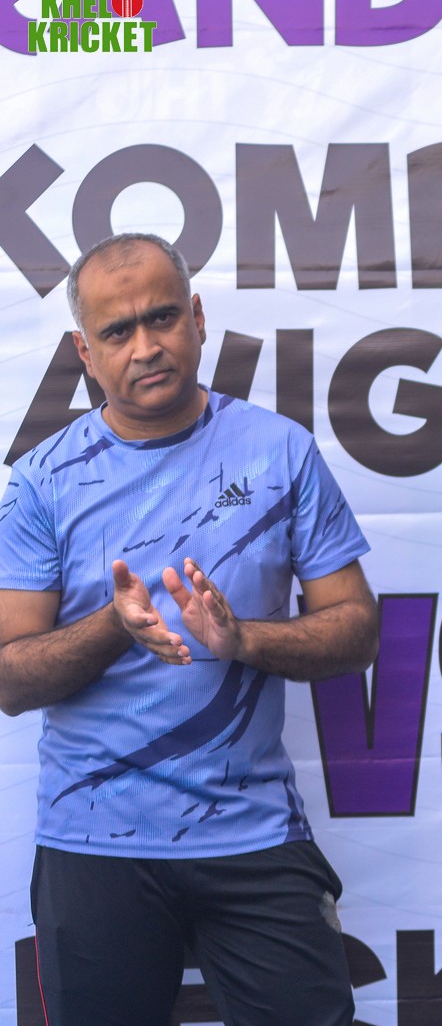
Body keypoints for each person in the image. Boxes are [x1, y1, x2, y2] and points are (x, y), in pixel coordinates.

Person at [0, 233, 380, 1025]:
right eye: (117, 331)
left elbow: (357, 630)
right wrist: (115, 626)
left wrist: (247, 640)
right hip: (94, 841)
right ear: (85, 351)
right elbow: (9, 679)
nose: (146, 346)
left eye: (163, 317)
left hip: (251, 833)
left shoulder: (280, 451)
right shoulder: (41, 481)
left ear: (198, 318)